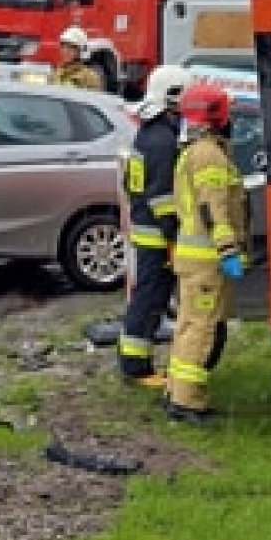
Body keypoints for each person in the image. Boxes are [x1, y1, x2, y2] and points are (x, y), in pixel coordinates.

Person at [163, 83, 249, 424]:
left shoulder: (194, 151)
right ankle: (188, 403)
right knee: (201, 327)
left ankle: (177, 393)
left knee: (188, 325)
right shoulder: (209, 154)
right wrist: (228, 249)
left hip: (193, 256)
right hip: (206, 260)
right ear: (218, 117)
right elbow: (213, 207)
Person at [117, 64, 192, 385]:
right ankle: (136, 366)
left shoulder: (149, 133)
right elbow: (162, 197)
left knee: (148, 298)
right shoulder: (162, 141)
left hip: (146, 230)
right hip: (156, 237)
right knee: (150, 299)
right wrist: (174, 238)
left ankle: (134, 359)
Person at [52, 26, 102, 90]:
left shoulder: (89, 77)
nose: (65, 51)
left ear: (80, 51)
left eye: (71, 47)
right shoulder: (57, 72)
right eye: (63, 46)